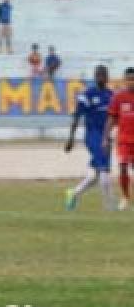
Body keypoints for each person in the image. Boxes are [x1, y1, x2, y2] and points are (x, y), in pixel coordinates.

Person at [65, 65, 114, 210]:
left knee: (95, 175)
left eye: (103, 75)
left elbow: (114, 117)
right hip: (92, 136)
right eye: (98, 75)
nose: (101, 78)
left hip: (106, 136)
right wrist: (71, 138)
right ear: (94, 77)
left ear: (107, 77)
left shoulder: (111, 95)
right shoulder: (87, 95)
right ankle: (109, 207)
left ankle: (73, 193)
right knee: (104, 170)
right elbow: (76, 117)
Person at [104, 66, 134, 211]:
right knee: (122, 168)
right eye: (128, 79)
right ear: (124, 80)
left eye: (133, 79)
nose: (131, 82)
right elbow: (111, 118)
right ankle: (126, 197)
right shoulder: (118, 97)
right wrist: (105, 137)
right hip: (123, 140)